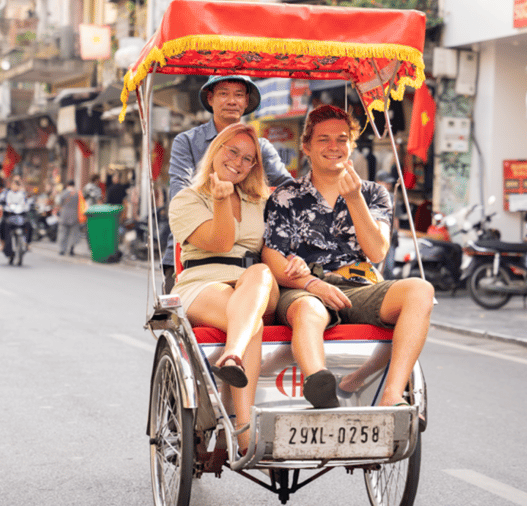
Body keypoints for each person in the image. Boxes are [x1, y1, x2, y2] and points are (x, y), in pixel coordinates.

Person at [262, 105, 435, 410]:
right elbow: (272, 255)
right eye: (323, 139)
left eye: (342, 139)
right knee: (307, 311)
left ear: (352, 145)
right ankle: (321, 385)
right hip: (303, 286)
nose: (333, 147)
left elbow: (378, 251)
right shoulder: (286, 196)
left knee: (421, 291)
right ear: (307, 146)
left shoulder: (373, 194)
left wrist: (354, 199)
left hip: (359, 283)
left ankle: (392, 395)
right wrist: (313, 285)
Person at [168, 122, 309, 452]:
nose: (239, 162)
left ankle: (232, 355)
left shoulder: (261, 201)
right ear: (216, 151)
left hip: (257, 282)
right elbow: (220, 241)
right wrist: (220, 200)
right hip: (203, 282)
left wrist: (296, 261)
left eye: (248, 159)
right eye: (232, 151)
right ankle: (245, 430)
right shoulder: (187, 199)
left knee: (259, 274)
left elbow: (282, 247)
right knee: (251, 321)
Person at [162, 75, 294, 293]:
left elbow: (289, 192)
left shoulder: (261, 148)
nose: (232, 101)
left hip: (250, 262)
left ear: (245, 102)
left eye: (239, 95)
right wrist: (219, 202)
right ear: (211, 99)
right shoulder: (187, 141)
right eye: (224, 94)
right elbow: (180, 191)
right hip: (196, 251)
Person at [0, 175, 33, 255]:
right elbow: (0, 201)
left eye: (18, 183)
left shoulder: (22, 193)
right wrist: (1, 206)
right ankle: (2, 243)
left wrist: (28, 206)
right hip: (9, 214)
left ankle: (27, 243)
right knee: (2, 224)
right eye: (14, 183)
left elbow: (27, 202)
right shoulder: (6, 192)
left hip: (20, 215)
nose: (15, 185)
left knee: (29, 224)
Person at [55, 181, 82, 256]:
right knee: (73, 234)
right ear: (74, 185)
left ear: (67, 185)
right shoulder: (77, 194)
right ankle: (71, 249)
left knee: (63, 233)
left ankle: (62, 250)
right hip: (74, 216)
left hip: (64, 215)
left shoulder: (63, 193)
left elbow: (58, 202)